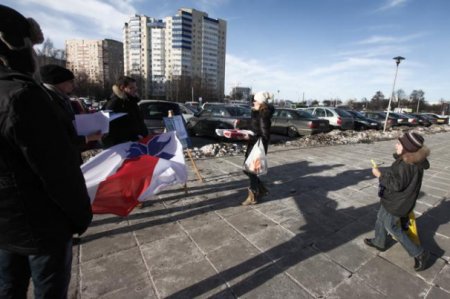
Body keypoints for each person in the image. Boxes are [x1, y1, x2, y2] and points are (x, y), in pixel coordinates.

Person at [0, 5, 92, 298]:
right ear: (16, 45)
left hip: (5, 224)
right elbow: (57, 171)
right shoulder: (23, 96)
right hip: (40, 224)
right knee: (48, 289)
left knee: (8, 287)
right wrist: (79, 216)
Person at [365, 131, 430, 271]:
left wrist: (380, 175)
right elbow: (398, 174)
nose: (396, 145)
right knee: (380, 217)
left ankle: (420, 253)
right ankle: (379, 241)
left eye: (399, 144)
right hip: (393, 199)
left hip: (397, 202)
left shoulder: (406, 165)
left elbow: (396, 184)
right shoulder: (411, 159)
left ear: (407, 148)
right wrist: (387, 169)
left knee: (392, 226)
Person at [40, 64, 103, 163]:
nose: (73, 85)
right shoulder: (49, 101)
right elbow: (60, 136)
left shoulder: (61, 98)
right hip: (60, 160)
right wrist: (88, 138)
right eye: (70, 81)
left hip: (71, 154)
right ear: (59, 82)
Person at [241, 91, 275, 205]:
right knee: (248, 170)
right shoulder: (256, 112)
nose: (252, 102)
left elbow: (265, 136)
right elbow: (255, 128)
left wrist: (249, 137)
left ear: (260, 102)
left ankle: (253, 196)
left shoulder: (263, 115)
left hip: (257, 147)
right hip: (252, 145)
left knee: (250, 171)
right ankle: (261, 189)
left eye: (254, 101)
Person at [102, 76, 148, 147]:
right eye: (131, 88)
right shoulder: (114, 103)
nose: (135, 89)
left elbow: (138, 122)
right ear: (122, 88)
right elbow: (111, 130)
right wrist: (133, 137)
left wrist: (144, 134)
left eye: (135, 87)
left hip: (136, 143)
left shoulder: (131, 101)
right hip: (123, 147)